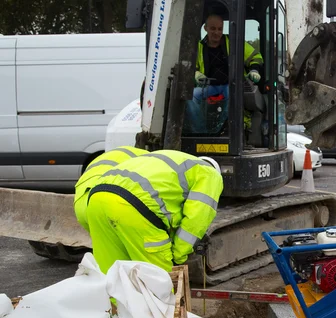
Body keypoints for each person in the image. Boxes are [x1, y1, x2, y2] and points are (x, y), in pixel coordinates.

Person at [86, 150, 224, 274]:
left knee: (112, 276)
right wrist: (179, 256)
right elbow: (195, 221)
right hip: (132, 206)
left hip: (96, 199)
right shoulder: (210, 175)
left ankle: (113, 303)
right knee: (158, 282)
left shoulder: (173, 159)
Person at [186, 13, 264, 133]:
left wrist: (254, 70)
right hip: (209, 86)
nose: (216, 32)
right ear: (205, 28)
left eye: (219, 29)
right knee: (190, 95)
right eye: (213, 28)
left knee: (233, 93)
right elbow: (190, 67)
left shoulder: (234, 43)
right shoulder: (199, 47)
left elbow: (256, 56)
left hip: (230, 84)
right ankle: (201, 131)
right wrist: (195, 74)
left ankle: (224, 129)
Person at [74, 146, 148, 233]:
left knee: (104, 244)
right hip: (113, 203)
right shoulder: (155, 166)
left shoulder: (138, 156)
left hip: (82, 202)